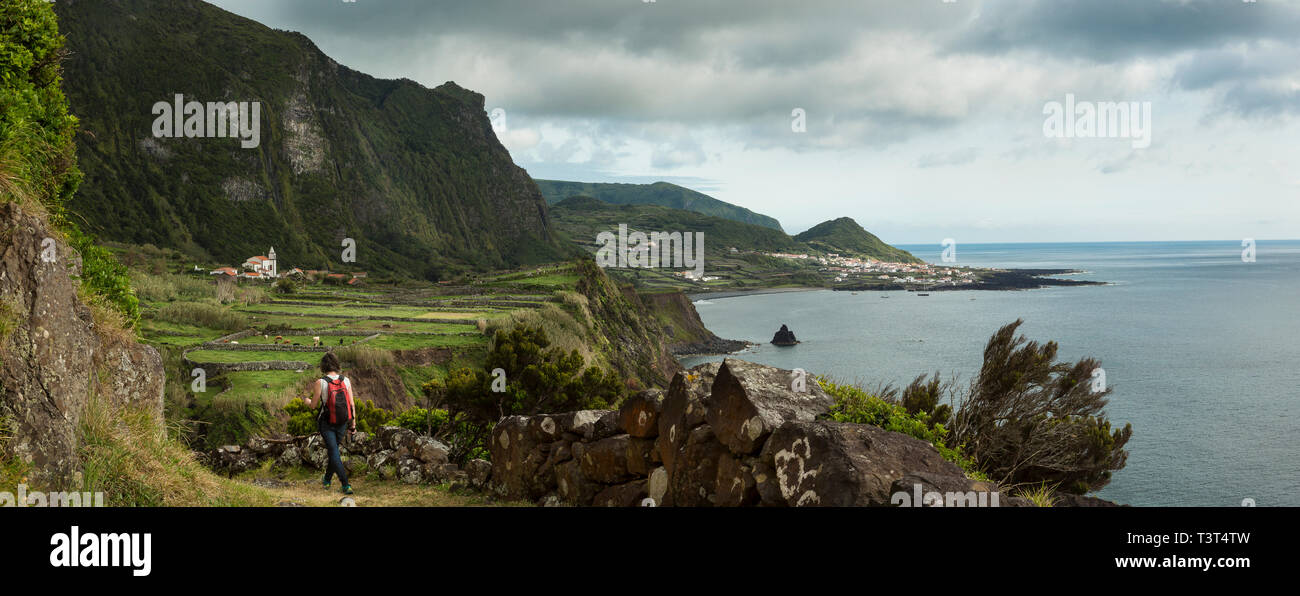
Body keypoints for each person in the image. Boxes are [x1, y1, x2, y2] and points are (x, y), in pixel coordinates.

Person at [304, 352, 356, 494]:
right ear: (336, 364)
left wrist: (306, 401)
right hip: (343, 422)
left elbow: (313, 405)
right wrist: (353, 425)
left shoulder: (321, 382)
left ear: (323, 366)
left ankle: (345, 485)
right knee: (334, 452)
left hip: (326, 423)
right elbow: (351, 404)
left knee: (334, 453)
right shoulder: (346, 381)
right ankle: (327, 480)